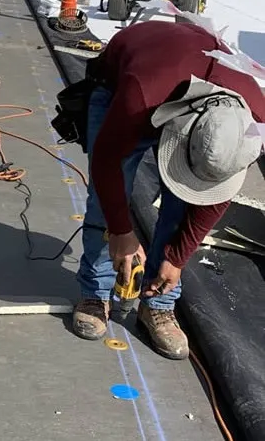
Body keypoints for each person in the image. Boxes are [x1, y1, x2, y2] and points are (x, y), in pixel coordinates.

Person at [74, 20, 265, 359]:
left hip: (185, 83)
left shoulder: (252, 125)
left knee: (180, 207)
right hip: (126, 79)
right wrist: (121, 232)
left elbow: (216, 198)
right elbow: (106, 164)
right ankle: (96, 290)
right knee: (105, 205)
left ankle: (158, 303)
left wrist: (177, 258)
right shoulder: (140, 94)